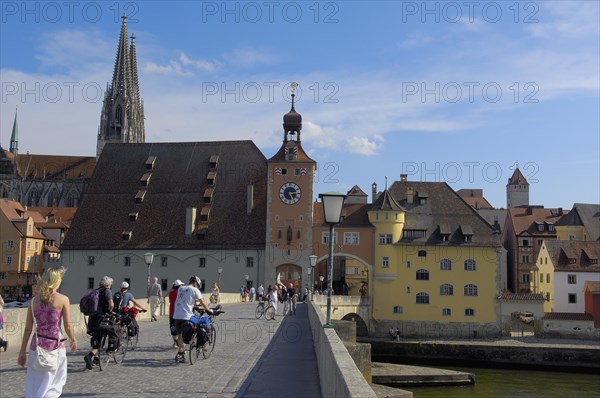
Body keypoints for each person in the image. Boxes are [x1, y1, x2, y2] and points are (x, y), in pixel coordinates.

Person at [17, 267, 77, 397]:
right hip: (55, 346)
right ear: (57, 281)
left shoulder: (33, 301)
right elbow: (67, 325)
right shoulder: (62, 299)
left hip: (36, 347)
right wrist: (73, 339)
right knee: (55, 382)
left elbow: (28, 329)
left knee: (35, 383)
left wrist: (22, 351)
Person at [173, 276, 212, 363]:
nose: (197, 287)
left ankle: (180, 352)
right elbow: (202, 301)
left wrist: (192, 305)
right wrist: (208, 310)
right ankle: (198, 344)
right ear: (195, 283)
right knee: (197, 325)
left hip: (176, 315)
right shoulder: (195, 290)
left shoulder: (180, 288)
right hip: (187, 316)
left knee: (180, 335)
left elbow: (184, 300)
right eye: (197, 285)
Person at [83, 276, 115, 370]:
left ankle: (96, 358)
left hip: (92, 318)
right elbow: (111, 304)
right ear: (108, 284)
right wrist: (110, 311)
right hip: (101, 318)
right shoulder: (107, 291)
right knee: (101, 338)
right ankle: (90, 356)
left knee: (95, 337)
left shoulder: (95, 291)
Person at [168, 280, 184, 348]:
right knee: (180, 328)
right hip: (179, 313)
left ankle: (175, 343)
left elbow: (170, 301)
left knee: (173, 327)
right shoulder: (181, 293)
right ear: (180, 286)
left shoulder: (171, 293)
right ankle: (180, 342)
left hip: (172, 312)